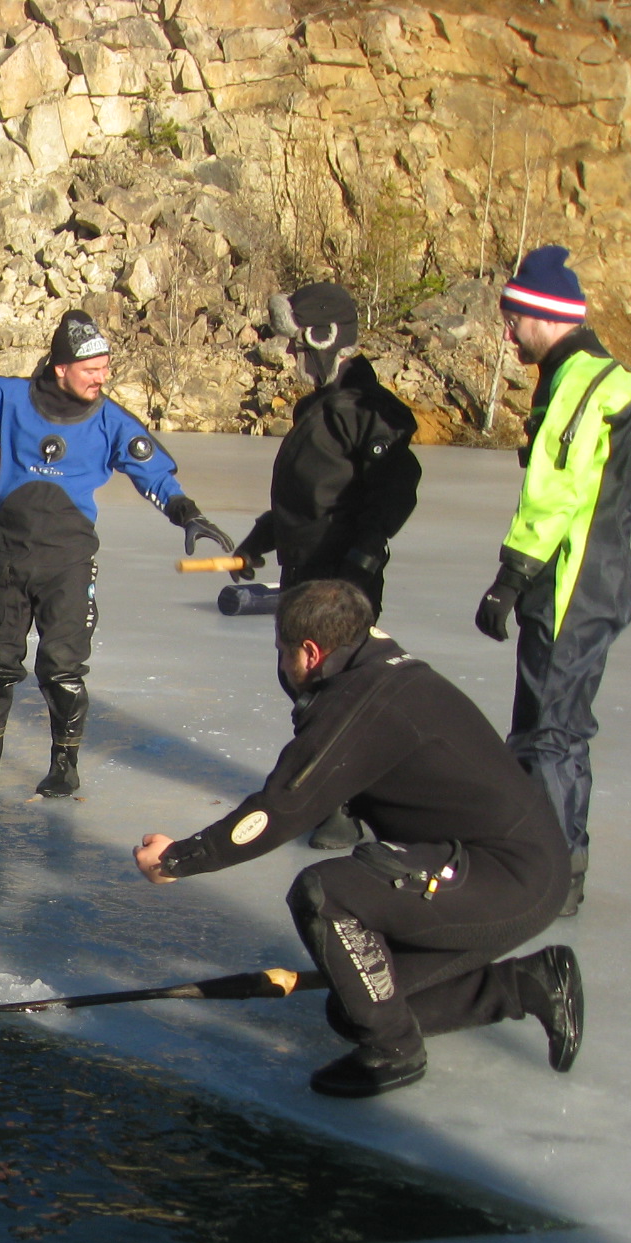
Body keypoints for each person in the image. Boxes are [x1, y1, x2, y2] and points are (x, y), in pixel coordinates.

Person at [133, 580, 579, 1099]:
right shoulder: (380, 665)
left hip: (504, 878)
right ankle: (531, 984)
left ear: (311, 651)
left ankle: (395, 1053)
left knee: (326, 894)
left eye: (283, 651)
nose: (281, 664)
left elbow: (280, 810)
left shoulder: (361, 703)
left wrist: (179, 859)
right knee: (359, 1005)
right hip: (510, 870)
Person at [0, 311, 231, 798]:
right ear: (62, 367)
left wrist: (186, 513)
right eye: (93, 369)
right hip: (6, 556)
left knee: (61, 668)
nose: (102, 378)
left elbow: (153, 472)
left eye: (106, 368)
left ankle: (65, 763)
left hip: (68, 562)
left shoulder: (110, 420)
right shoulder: (11, 397)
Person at [476, 245, 631, 916]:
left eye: (512, 318)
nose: (507, 333)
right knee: (562, 727)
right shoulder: (613, 382)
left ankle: (549, 874)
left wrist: (510, 578)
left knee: (549, 730)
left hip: (573, 583)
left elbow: (556, 492)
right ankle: (558, 864)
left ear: (543, 316)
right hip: (603, 579)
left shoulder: (581, 384)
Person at [232, 280, 423, 851]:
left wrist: (363, 557)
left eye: (297, 343)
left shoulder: (366, 412)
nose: (291, 354)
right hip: (304, 571)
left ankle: (344, 804)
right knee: (304, 680)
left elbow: (395, 489)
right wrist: (261, 537)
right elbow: (307, 496)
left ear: (323, 337)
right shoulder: (319, 409)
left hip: (340, 579)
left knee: (332, 686)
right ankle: (334, 793)